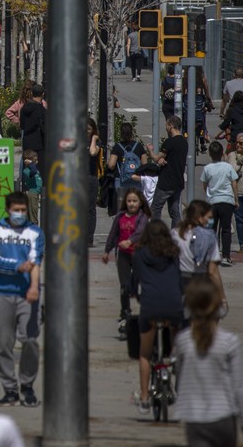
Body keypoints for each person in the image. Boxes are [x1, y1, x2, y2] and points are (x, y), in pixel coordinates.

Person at [174, 279, 243, 446]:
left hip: (194, 418)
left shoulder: (183, 341)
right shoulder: (230, 341)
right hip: (224, 416)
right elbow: (239, 387)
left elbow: (180, 376)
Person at [0, 191, 44, 408]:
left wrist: (33, 288)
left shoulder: (35, 232)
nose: (19, 214)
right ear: (8, 209)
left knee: (29, 340)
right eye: (16, 210)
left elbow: (36, 261)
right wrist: (16, 267)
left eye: (22, 210)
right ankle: (10, 389)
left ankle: (27, 385)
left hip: (27, 295)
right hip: (1, 292)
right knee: (4, 343)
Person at [130, 220, 183, 415]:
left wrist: (133, 292)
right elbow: (178, 277)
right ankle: (176, 355)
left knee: (144, 354)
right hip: (173, 304)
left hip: (150, 306)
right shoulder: (173, 253)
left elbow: (134, 281)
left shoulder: (140, 254)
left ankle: (144, 397)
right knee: (176, 329)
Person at [102, 188, 150, 334]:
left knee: (138, 287)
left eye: (135, 201)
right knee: (124, 287)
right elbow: (113, 234)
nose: (132, 204)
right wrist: (107, 250)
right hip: (123, 255)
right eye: (129, 201)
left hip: (138, 255)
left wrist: (130, 241)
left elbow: (140, 231)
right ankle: (125, 312)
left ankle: (148, 311)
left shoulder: (143, 217)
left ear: (140, 202)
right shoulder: (121, 216)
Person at [172, 200, 226, 301]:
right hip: (201, 282)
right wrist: (222, 297)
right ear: (200, 218)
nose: (211, 221)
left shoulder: (175, 234)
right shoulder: (209, 236)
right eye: (209, 218)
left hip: (180, 281)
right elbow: (213, 271)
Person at [201, 141, 239, 266]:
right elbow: (234, 183)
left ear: (210, 154)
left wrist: (208, 195)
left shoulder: (207, 168)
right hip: (227, 201)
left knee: (212, 229)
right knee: (226, 229)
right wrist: (236, 200)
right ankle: (226, 256)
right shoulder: (228, 167)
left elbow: (205, 184)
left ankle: (213, 255)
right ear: (222, 153)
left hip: (213, 202)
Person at [146, 115, 186, 226]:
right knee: (175, 212)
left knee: (155, 208)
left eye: (167, 125)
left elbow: (155, 158)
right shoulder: (184, 142)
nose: (166, 128)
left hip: (166, 181)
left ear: (171, 126)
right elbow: (173, 158)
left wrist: (150, 150)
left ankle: (156, 234)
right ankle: (176, 235)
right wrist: (163, 160)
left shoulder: (169, 142)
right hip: (178, 181)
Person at [107, 122, 147, 191]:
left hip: (121, 180)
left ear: (121, 133)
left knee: (122, 200)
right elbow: (145, 165)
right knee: (135, 200)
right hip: (136, 179)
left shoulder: (117, 147)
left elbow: (111, 165)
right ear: (132, 132)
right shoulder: (139, 146)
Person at [20, 85, 47, 177]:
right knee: (39, 168)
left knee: (27, 165)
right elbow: (44, 127)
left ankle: (25, 187)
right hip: (39, 142)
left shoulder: (24, 108)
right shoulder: (41, 109)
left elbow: (22, 125)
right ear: (43, 94)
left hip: (27, 140)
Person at [85, 118, 103, 247]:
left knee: (90, 209)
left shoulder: (96, 142)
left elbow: (92, 152)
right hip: (78, 178)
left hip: (91, 178)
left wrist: (93, 139)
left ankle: (89, 238)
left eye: (89, 129)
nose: (86, 131)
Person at [21, 149, 42, 225]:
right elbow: (33, 171)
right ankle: (34, 230)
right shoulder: (27, 171)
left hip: (35, 194)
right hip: (31, 194)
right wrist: (31, 164)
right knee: (33, 215)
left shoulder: (33, 169)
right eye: (35, 160)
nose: (37, 162)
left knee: (34, 212)